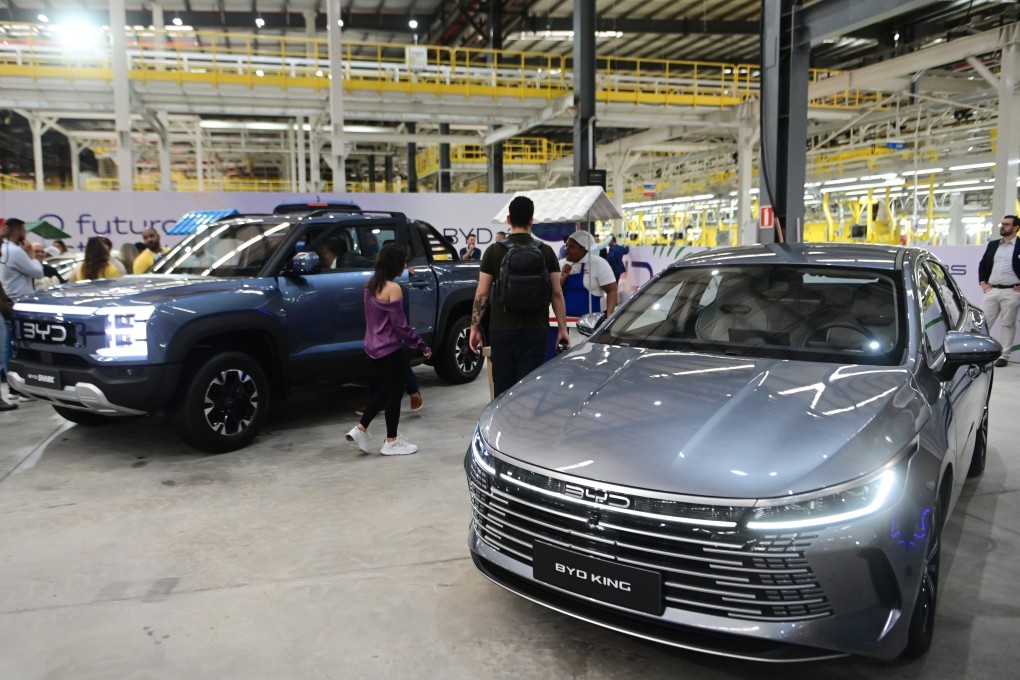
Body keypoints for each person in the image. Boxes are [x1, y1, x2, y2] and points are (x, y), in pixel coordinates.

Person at [468, 195, 568, 399]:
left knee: (503, 390)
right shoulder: (546, 251)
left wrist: (475, 327)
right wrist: (563, 328)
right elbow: (556, 293)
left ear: (508, 220)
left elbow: (482, 293)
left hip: (502, 331)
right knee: (529, 392)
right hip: (536, 331)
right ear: (531, 220)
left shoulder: (494, 251)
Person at [346, 243, 431, 456]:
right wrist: (421, 344)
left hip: (371, 347)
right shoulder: (393, 288)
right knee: (394, 393)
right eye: (403, 261)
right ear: (395, 263)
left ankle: (360, 429)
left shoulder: (370, 284)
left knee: (384, 391)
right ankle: (391, 441)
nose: (405, 265)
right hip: (389, 349)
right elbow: (400, 326)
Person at [1, 218, 44, 384]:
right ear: (17, 232)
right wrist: (31, 255)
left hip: (10, 299)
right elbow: (38, 272)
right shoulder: (16, 251)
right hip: (19, 303)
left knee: (8, 343)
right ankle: (14, 383)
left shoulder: (6, 249)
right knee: (14, 345)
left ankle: (10, 380)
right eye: (24, 231)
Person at [978, 214, 1020, 368]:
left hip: (1012, 292)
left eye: (1007, 224)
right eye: (1002, 224)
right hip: (992, 290)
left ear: (1016, 228)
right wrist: (983, 282)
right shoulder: (993, 244)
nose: (1002, 226)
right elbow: (983, 264)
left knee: (1008, 324)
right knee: (983, 322)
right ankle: (980, 351)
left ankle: (1004, 356)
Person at [559, 230, 618, 318]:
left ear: (584, 249)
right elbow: (553, 291)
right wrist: (563, 277)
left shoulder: (598, 263)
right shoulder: (561, 264)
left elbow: (612, 290)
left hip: (593, 321)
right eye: (566, 245)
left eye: (571, 246)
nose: (566, 249)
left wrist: (609, 316)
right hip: (565, 320)